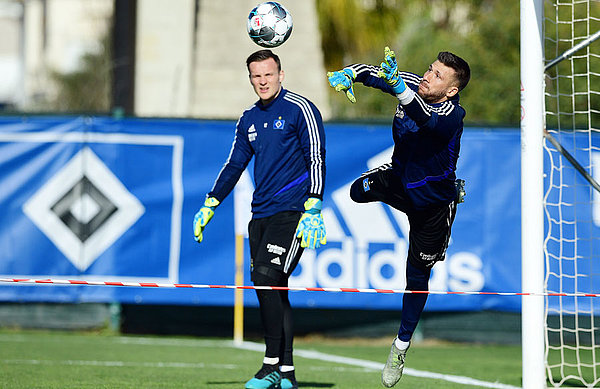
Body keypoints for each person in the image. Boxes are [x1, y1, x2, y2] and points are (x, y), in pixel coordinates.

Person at [327, 47, 470, 388]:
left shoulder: (453, 115)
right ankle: (388, 178)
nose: (427, 76)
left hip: (432, 205)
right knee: (356, 192)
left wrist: (397, 88)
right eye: (429, 68)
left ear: (451, 89)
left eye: (437, 75)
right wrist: (351, 73)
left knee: (416, 275)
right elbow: (370, 72)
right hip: (400, 182)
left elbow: (426, 120)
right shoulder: (407, 83)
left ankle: (401, 345)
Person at [193, 49, 326, 389]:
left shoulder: (300, 109)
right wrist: (211, 203)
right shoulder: (248, 118)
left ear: (281, 74)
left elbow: (316, 157)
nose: (263, 81)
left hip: (294, 212)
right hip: (260, 215)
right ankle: (286, 373)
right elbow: (234, 165)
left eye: (268, 74)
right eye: (256, 76)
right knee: (273, 289)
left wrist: (314, 204)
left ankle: (269, 365)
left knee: (267, 276)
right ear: (250, 78)